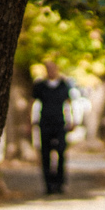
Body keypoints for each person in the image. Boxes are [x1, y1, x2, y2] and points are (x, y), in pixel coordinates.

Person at [32, 61, 73, 194]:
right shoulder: (40, 86)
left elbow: (68, 104)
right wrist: (30, 121)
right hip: (45, 122)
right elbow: (33, 103)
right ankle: (48, 184)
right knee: (45, 154)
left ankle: (60, 182)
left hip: (59, 123)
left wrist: (71, 120)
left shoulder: (63, 85)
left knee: (61, 152)